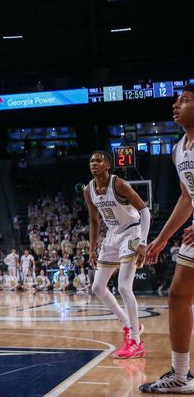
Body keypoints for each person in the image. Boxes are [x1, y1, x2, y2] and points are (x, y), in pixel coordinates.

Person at [141, 85, 194, 393]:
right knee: (177, 296)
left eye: (185, 100)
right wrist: (161, 238)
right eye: (176, 101)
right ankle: (181, 374)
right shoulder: (179, 148)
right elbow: (188, 197)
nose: (176, 105)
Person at [84, 150, 150, 360]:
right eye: (91, 160)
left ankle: (135, 342)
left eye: (98, 160)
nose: (94, 163)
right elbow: (94, 221)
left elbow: (145, 211)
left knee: (123, 286)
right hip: (112, 235)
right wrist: (92, 247)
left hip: (131, 231)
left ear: (107, 166)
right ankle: (131, 325)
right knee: (97, 287)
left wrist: (143, 242)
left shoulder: (119, 184)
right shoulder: (88, 190)